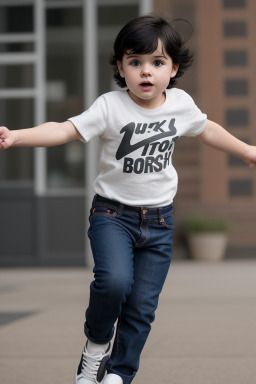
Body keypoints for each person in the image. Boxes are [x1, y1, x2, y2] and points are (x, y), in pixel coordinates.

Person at [0, 14, 256, 384]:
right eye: (135, 62)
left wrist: (246, 151)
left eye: (157, 63)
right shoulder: (109, 106)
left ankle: (119, 374)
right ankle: (97, 345)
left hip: (161, 222)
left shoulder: (181, 105)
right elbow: (64, 129)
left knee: (141, 308)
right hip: (112, 216)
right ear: (120, 67)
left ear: (174, 68)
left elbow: (207, 128)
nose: (146, 72)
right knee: (114, 282)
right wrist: (16, 137)